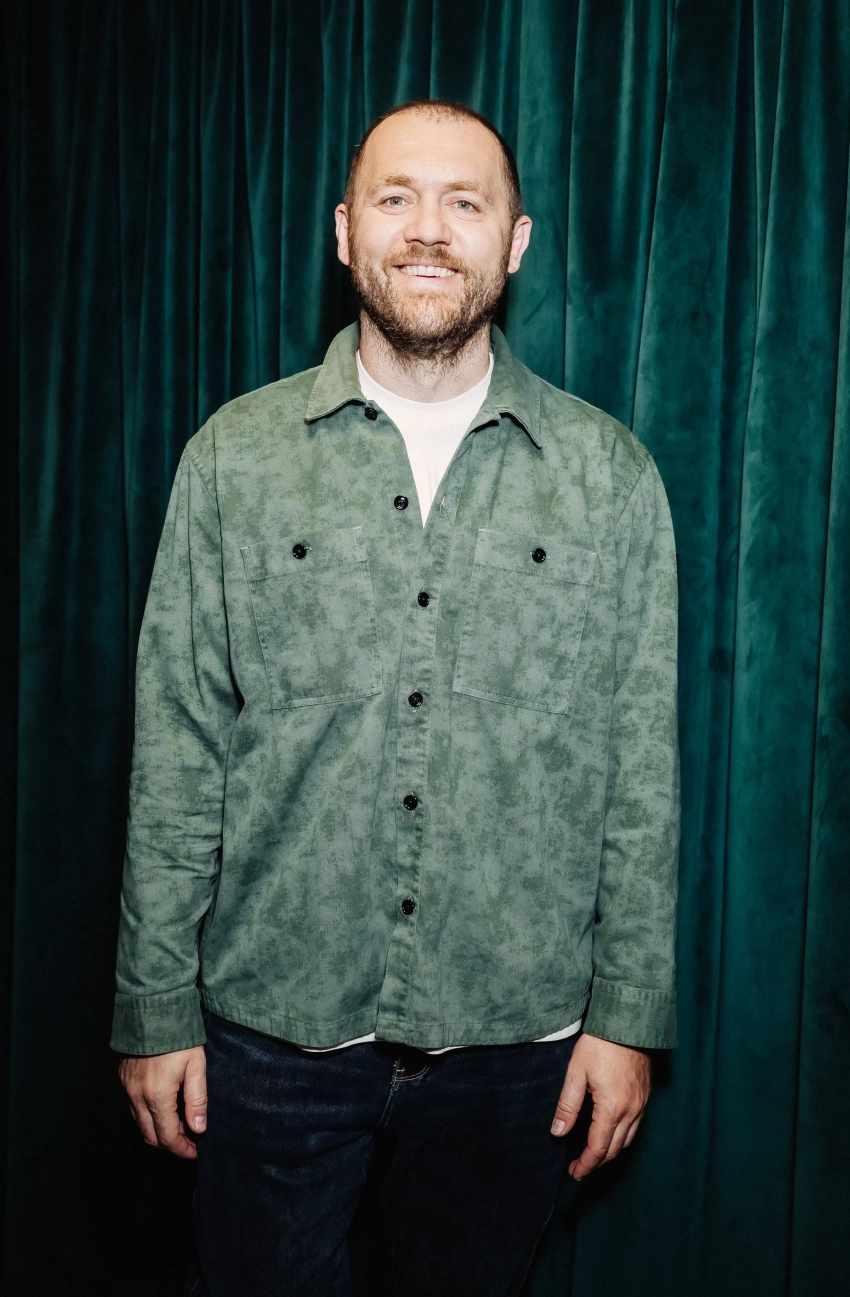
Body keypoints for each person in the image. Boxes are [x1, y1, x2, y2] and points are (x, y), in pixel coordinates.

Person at [112, 99, 680, 1297]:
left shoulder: (609, 477)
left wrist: (627, 1017)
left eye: (463, 202)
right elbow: (178, 751)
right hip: (268, 1034)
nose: (428, 230)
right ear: (343, 232)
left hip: (515, 1047)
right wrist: (153, 1004)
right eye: (395, 198)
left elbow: (639, 768)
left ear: (514, 242)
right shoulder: (233, 458)